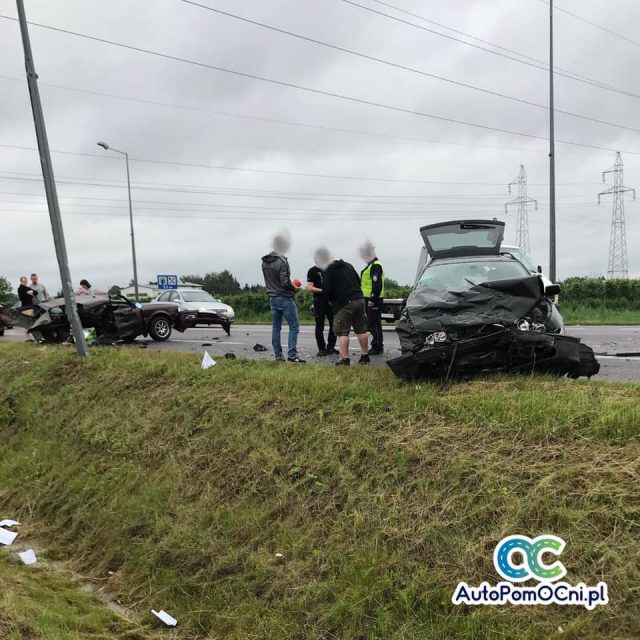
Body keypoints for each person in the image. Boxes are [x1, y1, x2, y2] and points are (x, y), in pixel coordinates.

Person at [317, 247, 369, 366]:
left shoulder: (327, 271)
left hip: (343, 304)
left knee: (342, 332)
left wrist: (329, 300)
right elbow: (358, 280)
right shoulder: (348, 265)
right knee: (361, 329)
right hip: (359, 299)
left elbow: (327, 290)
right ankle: (365, 356)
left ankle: (345, 359)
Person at [261, 231, 305, 363]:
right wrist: (294, 289)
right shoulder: (282, 261)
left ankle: (278, 356)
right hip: (285, 298)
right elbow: (284, 282)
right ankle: (292, 354)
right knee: (294, 326)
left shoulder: (264, 262)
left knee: (276, 327)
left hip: (272, 298)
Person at [307, 251, 337, 357]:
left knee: (334, 324)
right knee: (320, 325)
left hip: (331, 302)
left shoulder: (328, 270)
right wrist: (322, 290)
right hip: (319, 301)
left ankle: (331, 347)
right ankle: (321, 348)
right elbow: (310, 287)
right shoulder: (312, 271)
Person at [359, 241, 385, 355]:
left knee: (374, 323)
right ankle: (377, 345)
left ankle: (377, 346)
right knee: (371, 323)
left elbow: (377, 284)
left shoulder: (375, 266)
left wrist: (372, 299)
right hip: (368, 298)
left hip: (373, 299)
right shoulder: (371, 266)